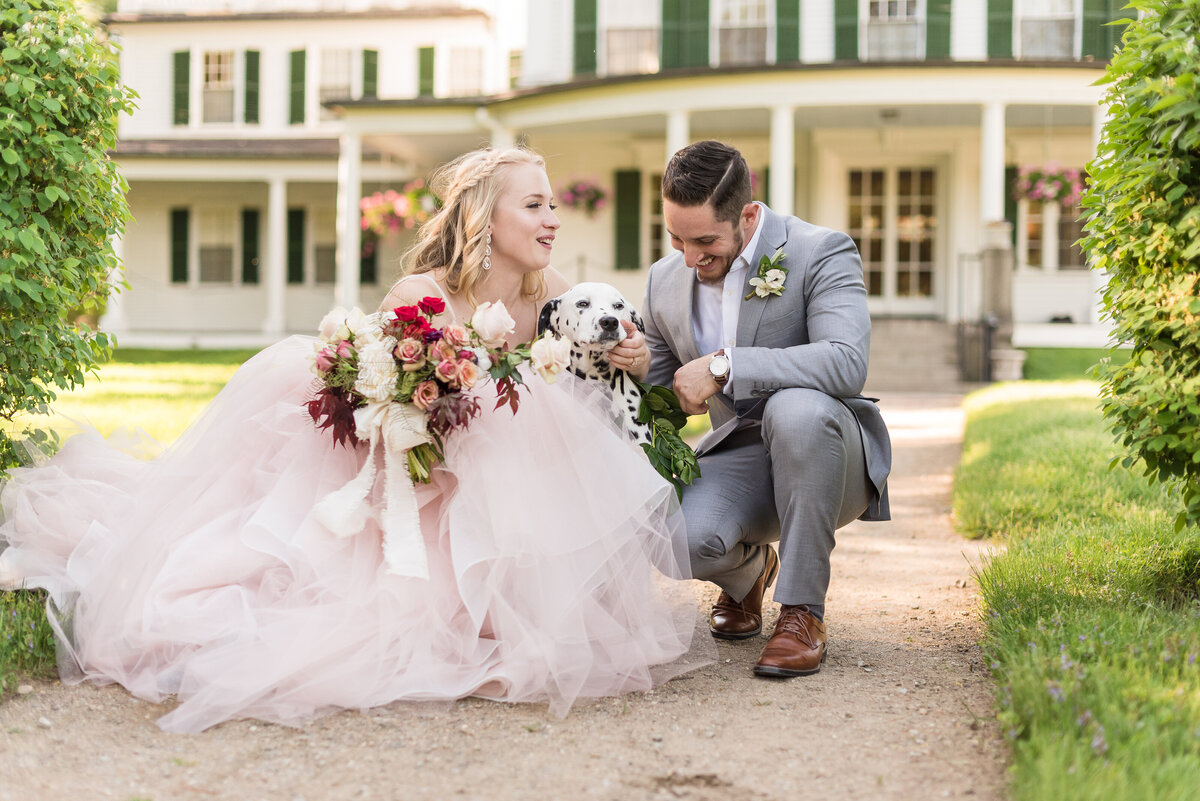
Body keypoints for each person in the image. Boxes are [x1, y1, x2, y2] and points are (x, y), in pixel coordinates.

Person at [0, 146, 708, 733]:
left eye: (553, 203)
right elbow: (386, 410)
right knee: (324, 602)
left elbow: (587, 361)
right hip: (406, 476)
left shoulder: (548, 290)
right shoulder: (421, 295)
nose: (552, 218)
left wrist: (635, 358)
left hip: (493, 476)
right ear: (484, 219)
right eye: (534, 205)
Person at [640, 140, 892, 678]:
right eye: (676, 239)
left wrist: (727, 365)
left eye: (705, 240)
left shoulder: (821, 250)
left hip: (826, 449)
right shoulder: (663, 282)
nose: (690, 258)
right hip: (741, 456)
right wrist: (623, 365)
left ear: (748, 215)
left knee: (795, 410)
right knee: (673, 538)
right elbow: (658, 404)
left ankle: (802, 612)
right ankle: (750, 574)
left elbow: (846, 362)